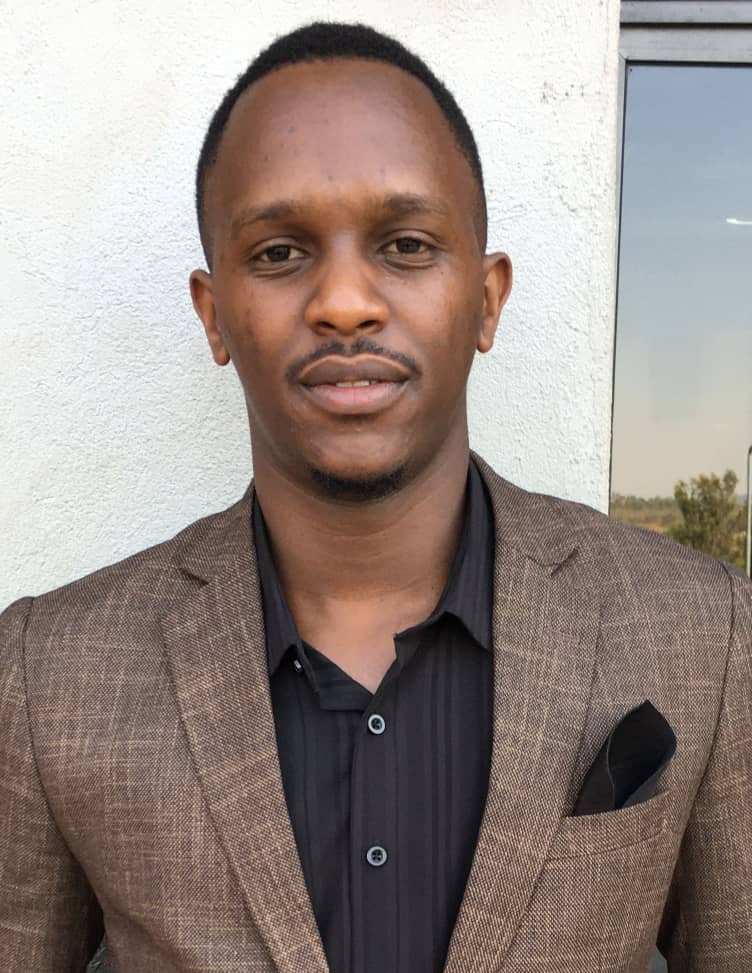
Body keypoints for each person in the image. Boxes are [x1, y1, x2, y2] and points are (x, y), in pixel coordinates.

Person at [1, 20, 750, 973]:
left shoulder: (703, 633)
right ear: (214, 314)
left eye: (405, 244)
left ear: (486, 299)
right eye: (280, 252)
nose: (345, 301)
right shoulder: (48, 676)